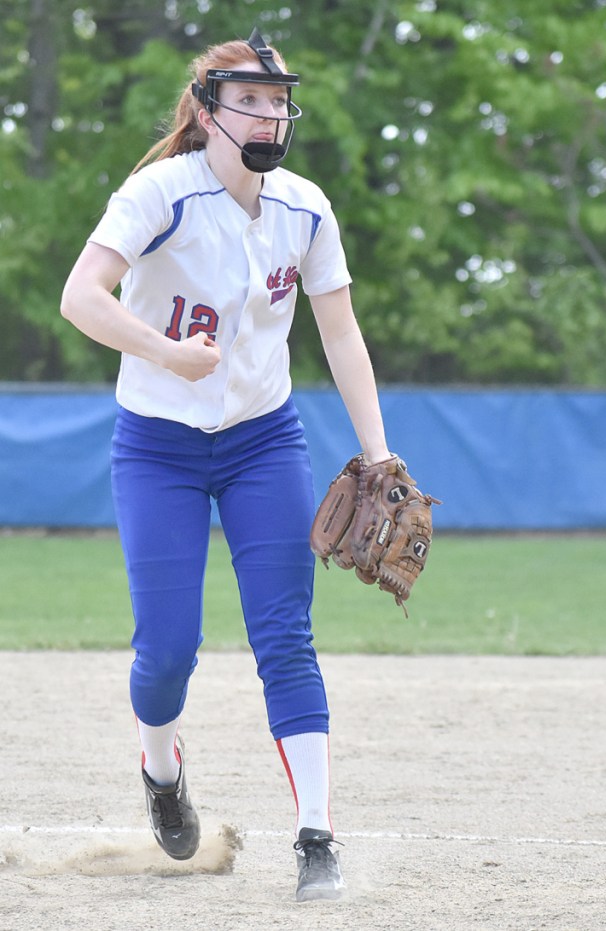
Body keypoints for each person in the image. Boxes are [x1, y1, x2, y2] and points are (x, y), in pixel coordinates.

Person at [60, 27, 394, 901]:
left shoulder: (305, 206)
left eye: (279, 99)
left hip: (262, 440)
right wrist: (163, 352)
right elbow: (80, 297)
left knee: (285, 634)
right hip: (158, 445)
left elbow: (342, 330)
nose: (269, 113)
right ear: (209, 111)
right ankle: (162, 769)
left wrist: (379, 450)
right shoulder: (159, 192)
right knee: (168, 649)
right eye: (249, 98)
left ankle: (317, 837)